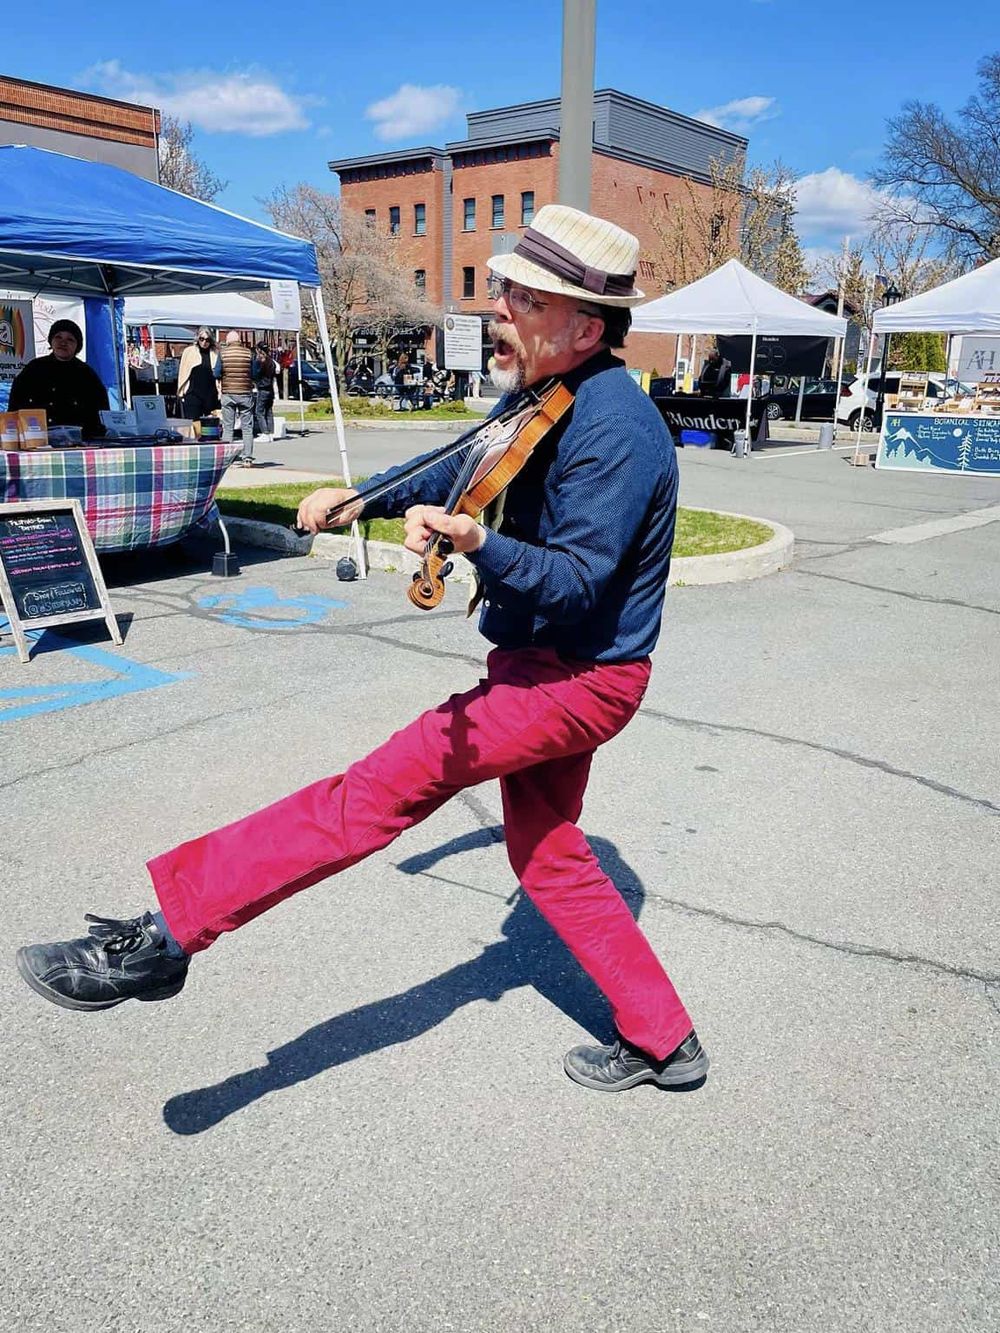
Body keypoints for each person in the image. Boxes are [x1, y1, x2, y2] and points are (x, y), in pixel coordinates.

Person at [15, 204, 708, 1096]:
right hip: (547, 667)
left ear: (584, 324)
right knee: (547, 850)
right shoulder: (549, 393)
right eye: (505, 287)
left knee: (369, 793)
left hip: (577, 680)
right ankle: (665, 1035)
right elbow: (460, 465)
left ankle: (164, 937)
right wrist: (365, 497)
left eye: (522, 298)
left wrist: (476, 543)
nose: (499, 304)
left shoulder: (615, 427)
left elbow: (577, 581)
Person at [8, 319, 109, 438]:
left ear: (77, 346)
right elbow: (15, 405)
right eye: (58, 337)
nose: (63, 343)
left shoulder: (87, 374)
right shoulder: (34, 369)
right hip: (36, 440)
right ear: (51, 341)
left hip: (80, 441)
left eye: (70, 339)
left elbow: (101, 412)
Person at [219, 331, 255, 465]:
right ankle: (247, 458)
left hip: (228, 393)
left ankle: (227, 458)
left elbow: (217, 372)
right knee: (247, 427)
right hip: (245, 393)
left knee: (228, 427)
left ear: (228, 341)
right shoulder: (248, 353)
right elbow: (254, 373)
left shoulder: (223, 353)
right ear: (239, 340)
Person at [176, 328, 221, 423]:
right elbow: (183, 372)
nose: (204, 342)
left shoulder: (216, 352)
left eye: (207, 340)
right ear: (197, 338)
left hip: (211, 395)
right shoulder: (189, 352)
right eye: (202, 339)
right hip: (193, 394)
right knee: (193, 426)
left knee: (211, 427)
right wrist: (181, 391)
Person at [252, 341, 278, 443]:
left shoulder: (260, 362)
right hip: (270, 389)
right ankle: (271, 433)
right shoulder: (271, 361)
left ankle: (265, 433)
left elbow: (254, 374)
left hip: (263, 388)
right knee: (269, 411)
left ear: (259, 350)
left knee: (259, 411)